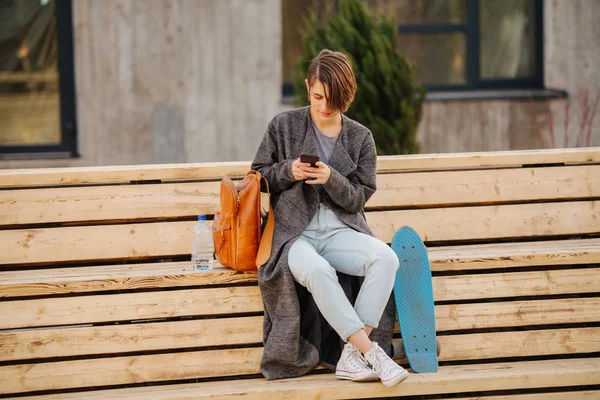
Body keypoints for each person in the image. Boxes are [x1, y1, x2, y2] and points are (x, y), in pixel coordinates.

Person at [251, 49, 408, 387]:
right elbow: (258, 176)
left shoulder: (360, 137)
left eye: (333, 100)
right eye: (318, 96)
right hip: (293, 233)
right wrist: (287, 170)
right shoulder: (284, 125)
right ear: (308, 87)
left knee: (386, 258)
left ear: (347, 97)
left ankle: (351, 357)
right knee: (318, 271)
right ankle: (371, 352)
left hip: (340, 229)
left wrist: (331, 178)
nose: (324, 106)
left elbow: (358, 199)